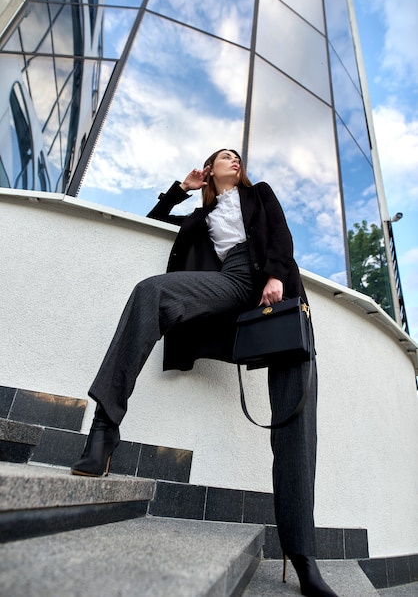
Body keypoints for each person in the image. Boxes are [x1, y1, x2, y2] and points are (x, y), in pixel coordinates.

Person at [71, 149, 338, 597]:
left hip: (281, 293)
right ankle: (104, 428)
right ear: (210, 169)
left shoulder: (260, 193)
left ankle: (303, 555)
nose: (234, 158)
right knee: (150, 292)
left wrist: (274, 275)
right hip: (232, 283)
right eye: (224, 155)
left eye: (237, 156)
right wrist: (181, 189)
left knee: (295, 421)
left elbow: (280, 233)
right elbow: (156, 217)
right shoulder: (203, 215)